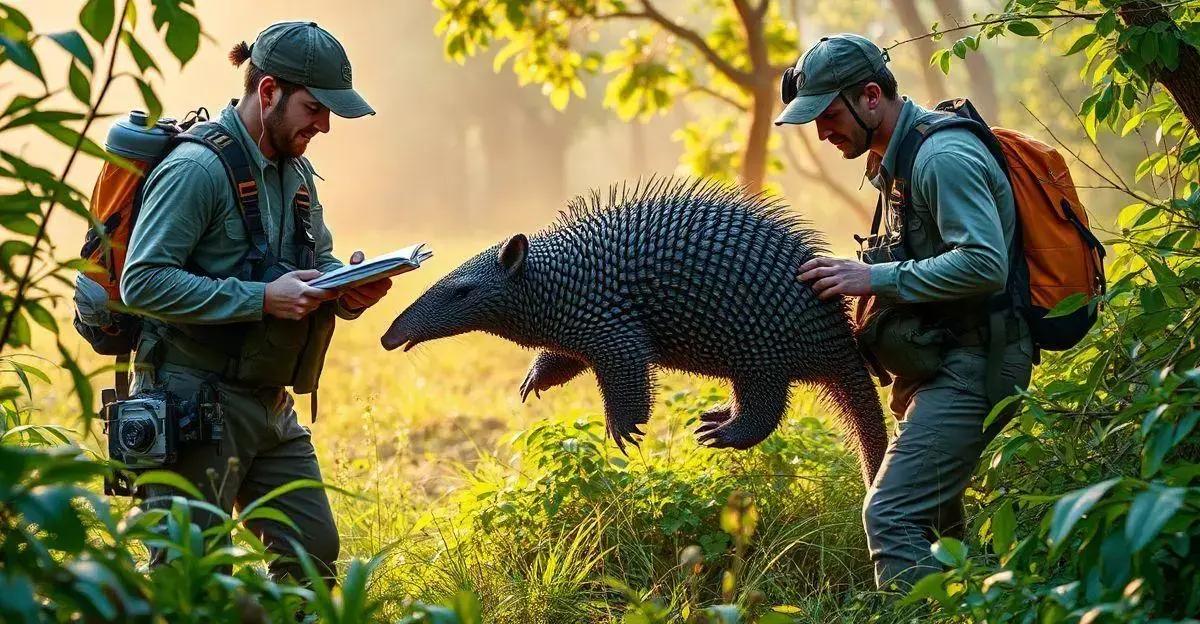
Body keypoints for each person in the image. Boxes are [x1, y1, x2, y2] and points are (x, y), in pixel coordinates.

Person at [121, 21, 390, 586]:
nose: (324, 126)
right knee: (188, 580)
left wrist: (347, 290)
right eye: (315, 109)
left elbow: (316, 263)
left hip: (269, 404)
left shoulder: (298, 172)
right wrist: (261, 299)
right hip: (190, 400)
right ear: (268, 92)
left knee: (313, 555)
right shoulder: (195, 170)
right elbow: (141, 282)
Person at [774, 33, 1034, 590]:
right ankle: (982, 606)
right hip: (947, 359)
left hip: (976, 363)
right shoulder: (896, 158)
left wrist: (872, 276)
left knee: (890, 514)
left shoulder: (941, 158)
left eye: (828, 114)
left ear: (871, 96)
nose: (821, 132)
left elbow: (984, 264)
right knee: (940, 531)